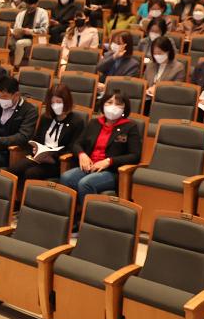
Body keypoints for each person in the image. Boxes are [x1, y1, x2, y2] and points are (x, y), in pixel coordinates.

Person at [59, 91, 142, 228]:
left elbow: (135, 155)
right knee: (67, 177)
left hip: (111, 171)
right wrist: (82, 154)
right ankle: (71, 221)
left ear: (124, 108)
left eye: (118, 104)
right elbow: (77, 143)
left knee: (85, 183)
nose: (113, 106)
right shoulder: (94, 123)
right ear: (102, 105)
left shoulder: (129, 126)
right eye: (109, 102)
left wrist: (109, 161)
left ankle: (90, 224)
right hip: (90, 166)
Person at [8, 84, 87, 192]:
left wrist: (52, 157)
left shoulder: (76, 121)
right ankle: (14, 201)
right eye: (53, 102)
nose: (55, 105)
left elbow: (73, 147)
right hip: (39, 157)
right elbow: (37, 138)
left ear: (67, 101)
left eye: (59, 102)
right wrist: (35, 148)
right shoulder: (46, 117)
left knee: (31, 173)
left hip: (57, 162)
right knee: (13, 169)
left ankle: (29, 203)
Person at [11, 0, 49, 66]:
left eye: (33, 4)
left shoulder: (43, 13)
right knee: (7, 42)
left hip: (34, 38)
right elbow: (16, 28)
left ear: (37, 3)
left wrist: (31, 31)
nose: (31, 6)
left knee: (20, 43)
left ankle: (15, 66)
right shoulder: (21, 14)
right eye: (28, 4)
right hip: (19, 36)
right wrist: (17, 31)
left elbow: (44, 30)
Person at [143, 36, 186, 100]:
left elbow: (176, 91)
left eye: (159, 53)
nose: (157, 56)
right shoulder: (150, 65)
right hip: (147, 100)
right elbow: (144, 84)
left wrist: (158, 90)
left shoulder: (178, 67)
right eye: (154, 53)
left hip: (165, 101)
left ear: (168, 52)